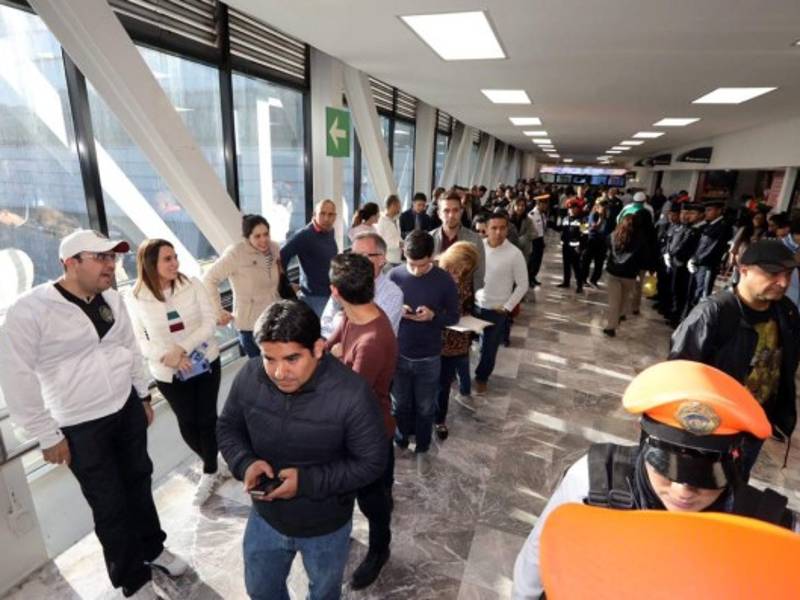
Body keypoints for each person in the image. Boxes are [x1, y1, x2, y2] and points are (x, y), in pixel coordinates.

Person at [511, 360, 799, 600]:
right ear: (645, 446)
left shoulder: (770, 528)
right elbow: (538, 556)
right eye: (666, 470)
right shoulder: (594, 479)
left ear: (734, 462)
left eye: (704, 478)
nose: (682, 491)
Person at [0, 230, 187, 598]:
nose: (110, 265)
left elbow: (129, 349)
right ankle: (133, 580)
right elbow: (15, 376)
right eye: (100, 258)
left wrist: (143, 395)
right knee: (109, 504)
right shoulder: (31, 310)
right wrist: (47, 434)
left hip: (126, 409)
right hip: (79, 426)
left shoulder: (113, 299)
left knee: (139, 484)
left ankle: (153, 548)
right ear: (70, 263)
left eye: (113, 258)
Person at [216, 300, 386, 600]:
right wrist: (245, 463)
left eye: (292, 359)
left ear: (319, 348)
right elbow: (228, 427)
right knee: (261, 591)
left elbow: (372, 462)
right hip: (265, 518)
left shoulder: (352, 394)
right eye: (269, 358)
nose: (279, 372)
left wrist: (306, 482)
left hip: (325, 527)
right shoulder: (250, 375)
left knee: (322, 593)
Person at [670, 239, 800, 474]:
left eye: (789, 274)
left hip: (755, 423)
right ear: (744, 270)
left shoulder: (786, 311)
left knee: (737, 483)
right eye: (773, 274)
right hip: (714, 427)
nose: (783, 282)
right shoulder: (713, 313)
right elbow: (678, 374)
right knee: (701, 485)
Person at [126, 239, 226, 506]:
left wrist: (181, 349)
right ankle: (213, 461)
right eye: (167, 259)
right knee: (188, 421)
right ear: (151, 264)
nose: (174, 263)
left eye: (175, 257)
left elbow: (209, 322)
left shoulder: (192, 284)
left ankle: (209, 472)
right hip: (167, 371)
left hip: (204, 360)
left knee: (206, 418)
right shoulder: (135, 297)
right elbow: (139, 340)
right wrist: (167, 356)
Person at [324, 253, 398, 590]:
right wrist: (327, 351)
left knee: (373, 503)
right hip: (355, 429)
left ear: (334, 291)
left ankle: (380, 550)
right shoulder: (354, 315)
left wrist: (335, 360)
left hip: (370, 435)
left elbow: (347, 397)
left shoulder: (371, 340)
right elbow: (332, 343)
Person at [388, 230, 459, 473]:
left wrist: (433, 316)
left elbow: (454, 316)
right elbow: (382, 313)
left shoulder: (444, 280)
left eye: (422, 265)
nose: (416, 270)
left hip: (429, 355)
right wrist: (399, 309)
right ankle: (400, 440)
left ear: (433, 256)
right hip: (399, 352)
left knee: (426, 406)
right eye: (411, 264)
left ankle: (423, 446)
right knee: (400, 405)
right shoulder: (394, 275)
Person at [203, 214, 281, 357]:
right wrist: (218, 311)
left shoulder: (274, 248)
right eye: (257, 236)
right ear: (247, 237)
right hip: (249, 325)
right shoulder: (236, 254)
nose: (263, 240)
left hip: (273, 321)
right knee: (259, 370)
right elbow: (209, 279)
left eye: (266, 234)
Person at [474, 212, 529, 394]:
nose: (498, 232)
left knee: (489, 349)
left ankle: (482, 378)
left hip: (496, 310)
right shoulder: (477, 247)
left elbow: (523, 285)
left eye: (502, 228)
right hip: (474, 306)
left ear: (507, 229)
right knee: (466, 345)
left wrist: (507, 307)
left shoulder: (514, 254)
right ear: (486, 229)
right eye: (494, 228)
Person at [320, 231, 403, 338]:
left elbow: (375, 335)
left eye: (363, 256)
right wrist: (335, 344)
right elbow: (325, 323)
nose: (355, 262)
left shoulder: (393, 294)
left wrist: (338, 323)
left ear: (382, 259)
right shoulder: (344, 284)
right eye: (354, 256)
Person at [435, 241, 480, 432]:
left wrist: (471, 320)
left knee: (444, 383)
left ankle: (439, 420)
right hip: (435, 337)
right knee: (427, 383)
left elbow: (466, 303)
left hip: (457, 340)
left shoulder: (465, 277)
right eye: (458, 267)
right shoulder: (435, 273)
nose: (461, 272)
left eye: (466, 269)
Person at [280, 199, 338, 318]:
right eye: (322, 213)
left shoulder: (330, 231)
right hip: (314, 298)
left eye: (330, 214)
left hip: (331, 294)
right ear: (314, 214)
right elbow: (281, 256)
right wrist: (286, 285)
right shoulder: (304, 235)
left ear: (335, 217)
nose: (326, 218)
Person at [430, 192, 486, 292]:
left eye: (455, 210)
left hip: (464, 298)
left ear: (461, 211)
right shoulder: (429, 239)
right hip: (434, 295)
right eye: (446, 211)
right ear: (439, 214)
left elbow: (479, 275)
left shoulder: (475, 240)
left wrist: (477, 300)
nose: (451, 215)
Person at [603, 215, 649, 337]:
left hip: (613, 272)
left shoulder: (613, 236)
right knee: (623, 299)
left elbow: (607, 250)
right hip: (629, 275)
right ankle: (617, 318)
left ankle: (611, 326)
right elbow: (643, 258)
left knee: (614, 301)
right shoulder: (641, 239)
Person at [685, 199, 733, 312]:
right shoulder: (709, 225)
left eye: (710, 210)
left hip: (707, 265)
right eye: (706, 210)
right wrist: (693, 258)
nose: (706, 213)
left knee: (702, 295)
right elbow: (700, 245)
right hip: (698, 264)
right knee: (694, 292)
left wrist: (697, 260)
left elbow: (713, 248)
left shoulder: (723, 227)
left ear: (719, 211)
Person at [665, 202, 705, 326]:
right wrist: (669, 254)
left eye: (692, 213)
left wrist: (677, 255)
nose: (688, 216)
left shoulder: (699, 229)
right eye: (686, 213)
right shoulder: (688, 227)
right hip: (677, 261)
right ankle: (675, 314)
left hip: (685, 264)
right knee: (676, 289)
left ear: (700, 215)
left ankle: (679, 317)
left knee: (684, 292)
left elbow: (687, 247)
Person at [557, 198, 587, 293]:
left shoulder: (582, 221)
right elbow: (562, 230)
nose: (571, 210)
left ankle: (579, 285)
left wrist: (581, 247)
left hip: (576, 249)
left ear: (578, 209)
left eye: (574, 208)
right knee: (566, 265)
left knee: (577, 267)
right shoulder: (565, 219)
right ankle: (566, 282)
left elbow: (585, 234)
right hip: (565, 247)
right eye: (570, 208)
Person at [581, 199, 612, 288]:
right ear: (597, 206)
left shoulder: (607, 216)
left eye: (606, 207)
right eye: (603, 206)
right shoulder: (593, 214)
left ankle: (594, 280)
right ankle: (583, 279)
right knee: (586, 261)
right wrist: (601, 218)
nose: (605, 208)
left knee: (599, 263)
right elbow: (595, 227)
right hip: (592, 240)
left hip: (602, 242)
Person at [375, 194, 403, 266]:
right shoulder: (381, 221)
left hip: (397, 258)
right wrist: (398, 244)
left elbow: (397, 236)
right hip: (388, 259)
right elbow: (379, 242)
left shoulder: (396, 220)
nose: (399, 209)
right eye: (398, 206)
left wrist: (402, 243)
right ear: (392, 205)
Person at [528, 196, 548, 287]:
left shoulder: (543, 214)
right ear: (539, 204)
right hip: (533, 240)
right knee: (532, 261)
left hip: (540, 239)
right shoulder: (531, 215)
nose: (545, 206)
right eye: (544, 204)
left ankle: (533, 277)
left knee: (538, 261)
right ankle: (529, 279)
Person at [509, 196, 534, 265]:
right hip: (510, 249)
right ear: (513, 206)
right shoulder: (507, 219)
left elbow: (534, 233)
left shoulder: (528, 220)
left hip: (523, 250)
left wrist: (523, 238)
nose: (520, 207)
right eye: (518, 205)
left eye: (522, 205)